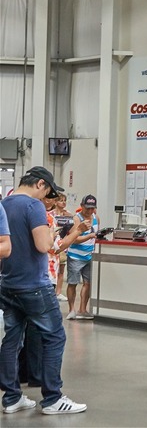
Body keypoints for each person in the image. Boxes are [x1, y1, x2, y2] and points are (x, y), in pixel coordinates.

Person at [0, 166, 87, 415]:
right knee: (55, 337)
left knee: (12, 339)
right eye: (47, 192)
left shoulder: (4, 204)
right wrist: (50, 234)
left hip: (8, 283)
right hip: (34, 285)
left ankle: (11, 397)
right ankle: (52, 399)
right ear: (40, 184)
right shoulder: (33, 206)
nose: (46, 199)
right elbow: (43, 246)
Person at [65, 195, 100, 320]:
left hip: (89, 256)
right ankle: (71, 309)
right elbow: (73, 239)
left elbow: (96, 235)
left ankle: (82, 309)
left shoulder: (96, 218)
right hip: (75, 256)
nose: (89, 211)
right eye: (87, 208)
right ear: (82, 206)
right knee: (73, 283)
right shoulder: (76, 219)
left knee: (88, 283)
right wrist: (89, 236)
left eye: (92, 208)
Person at [52, 194, 72, 301]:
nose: (63, 203)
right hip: (54, 243)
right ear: (55, 202)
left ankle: (58, 292)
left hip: (63, 243)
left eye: (65, 201)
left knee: (61, 269)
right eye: (61, 200)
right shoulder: (52, 214)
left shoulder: (67, 214)